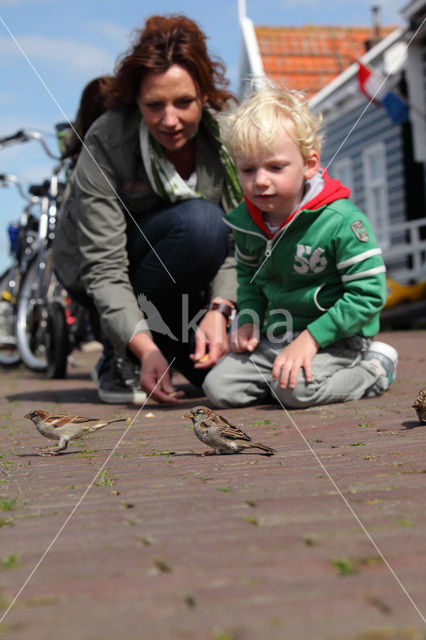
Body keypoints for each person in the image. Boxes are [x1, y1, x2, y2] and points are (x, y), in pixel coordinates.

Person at [53, 14, 242, 404]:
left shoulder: (227, 136)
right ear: (136, 103)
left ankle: (168, 339)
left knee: (222, 383)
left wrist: (220, 311)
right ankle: (119, 352)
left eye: (184, 102)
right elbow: (104, 266)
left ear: (205, 95)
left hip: (185, 276)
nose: (170, 120)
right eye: (154, 105)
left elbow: (242, 238)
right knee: (200, 224)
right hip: (102, 269)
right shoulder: (107, 138)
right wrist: (144, 348)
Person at [202, 81, 398, 409]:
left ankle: (374, 369)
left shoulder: (341, 220)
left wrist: (310, 339)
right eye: (248, 169)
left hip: (337, 338)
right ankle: (287, 377)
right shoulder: (248, 224)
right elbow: (249, 278)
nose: (260, 180)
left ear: (309, 164)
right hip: (276, 335)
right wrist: (248, 315)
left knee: (295, 392)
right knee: (219, 388)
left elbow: (370, 294)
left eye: (275, 167)